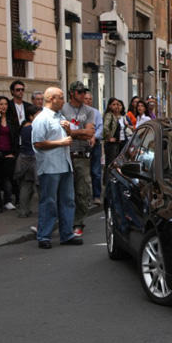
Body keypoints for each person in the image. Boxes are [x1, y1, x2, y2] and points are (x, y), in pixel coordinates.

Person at [32, 87, 81, 249]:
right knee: (49, 202)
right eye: (60, 98)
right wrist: (60, 143)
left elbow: (67, 137)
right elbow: (38, 143)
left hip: (65, 164)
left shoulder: (60, 116)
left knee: (68, 201)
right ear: (51, 99)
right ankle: (44, 235)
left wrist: (68, 130)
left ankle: (66, 234)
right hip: (50, 166)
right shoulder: (41, 119)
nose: (63, 101)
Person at [61, 81, 95, 238]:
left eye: (84, 92)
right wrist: (80, 133)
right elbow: (61, 132)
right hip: (65, 154)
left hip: (82, 155)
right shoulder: (63, 108)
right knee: (65, 191)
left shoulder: (89, 111)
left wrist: (72, 132)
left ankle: (78, 222)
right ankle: (65, 221)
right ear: (72, 93)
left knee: (82, 191)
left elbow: (89, 133)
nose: (83, 95)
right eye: (80, 92)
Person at [14, 104, 40, 218]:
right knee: (40, 186)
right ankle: (45, 210)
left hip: (24, 158)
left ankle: (23, 210)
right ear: (31, 116)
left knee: (26, 184)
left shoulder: (24, 127)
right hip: (35, 158)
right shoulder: (35, 128)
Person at [83, 92, 103, 205]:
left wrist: (94, 137)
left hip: (95, 144)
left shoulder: (96, 113)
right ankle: (85, 197)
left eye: (90, 99)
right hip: (82, 143)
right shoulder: (80, 113)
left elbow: (100, 127)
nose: (88, 101)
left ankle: (96, 195)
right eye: (86, 99)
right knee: (84, 172)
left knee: (96, 171)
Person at [102, 98, 129, 171]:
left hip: (117, 142)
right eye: (114, 104)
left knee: (116, 163)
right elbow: (105, 127)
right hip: (111, 144)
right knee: (111, 164)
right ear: (109, 106)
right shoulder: (109, 115)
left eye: (117, 104)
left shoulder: (117, 116)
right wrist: (109, 137)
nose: (116, 106)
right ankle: (108, 181)